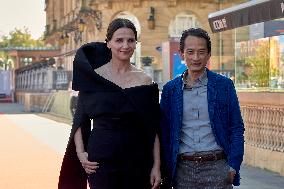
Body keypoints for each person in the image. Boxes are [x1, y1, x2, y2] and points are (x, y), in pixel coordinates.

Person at [58, 18, 161, 189]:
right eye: (119, 40)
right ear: (108, 44)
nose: (125, 46)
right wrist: (81, 153)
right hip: (100, 160)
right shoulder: (94, 77)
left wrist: (156, 166)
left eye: (130, 40)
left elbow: (153, 128)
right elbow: (80, 118)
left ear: (136, 43)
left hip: (138, 159)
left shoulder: (145, 80)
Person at [160, 28, 245, 189]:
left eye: (201, 52)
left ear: (208, 54)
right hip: (182, 171)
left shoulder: (224, 85)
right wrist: (165, 170)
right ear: (181, 54)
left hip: (218, 167)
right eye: (190, 52)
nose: (196, 58)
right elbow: (164, 133)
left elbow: (236, 128)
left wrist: (233, 166)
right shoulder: (170, 90)